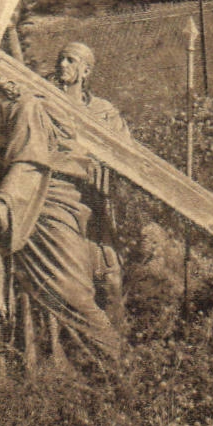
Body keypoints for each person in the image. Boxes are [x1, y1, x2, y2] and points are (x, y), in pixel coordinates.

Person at [0, 47, 122, 377]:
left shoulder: (26, 106)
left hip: (49, 200)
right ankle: (13, 377)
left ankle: (119, 369)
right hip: (12, 207)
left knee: (72, 293)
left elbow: (29, 163)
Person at [54, 41, 131, 330]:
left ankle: (116, 342)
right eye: (61, 59)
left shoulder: (104, 111)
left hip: (94, 203)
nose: (63, 65)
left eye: (71, 60)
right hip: (60, 203)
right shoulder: (47, 103)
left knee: (111, 277)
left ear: (86, 71)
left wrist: (104, 165)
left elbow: (126, 153)